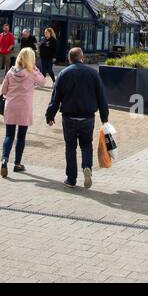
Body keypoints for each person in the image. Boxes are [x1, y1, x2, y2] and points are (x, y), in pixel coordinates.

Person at [44, 47, 109, 189]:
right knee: (86, 145)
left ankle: (71, 179)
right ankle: (87, 167)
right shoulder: (93, 73)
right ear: (82, 57)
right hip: (87, 117)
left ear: (69, 59)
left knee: (70, 147)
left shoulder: (63, 74)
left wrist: (50, 116)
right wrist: (104, 117)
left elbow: (55, 98)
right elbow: (101, 97)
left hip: (69, 116)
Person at [0, 48, 49, 177]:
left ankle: (4, 160)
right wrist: (36, 69)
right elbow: (43, 82)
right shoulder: (31, 72)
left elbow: (3, 90)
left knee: (9, 135)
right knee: (21, 136)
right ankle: (17, 164)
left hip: (10, 106)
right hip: (24, 108)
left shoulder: (10, 71)